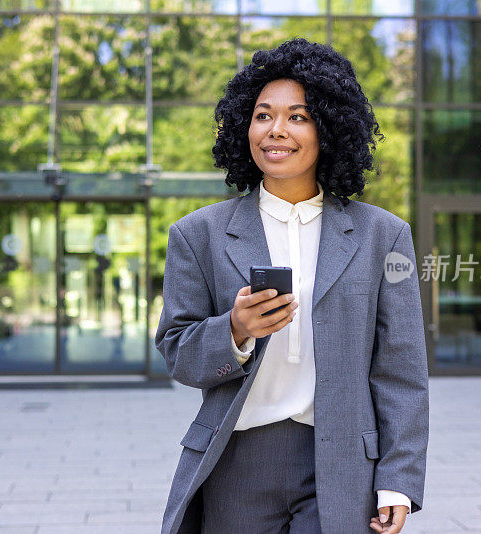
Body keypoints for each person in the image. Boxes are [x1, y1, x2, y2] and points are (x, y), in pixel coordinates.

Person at [154, 38, 428, 534]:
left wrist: (399, 479)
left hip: (343, 465)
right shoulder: (198, 235)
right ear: (244, 127)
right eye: (263, 115)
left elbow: (401, 369)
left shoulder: (383, 236)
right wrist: (233, 331)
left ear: (329, 128)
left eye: (298, 116)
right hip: (236, 462)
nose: (277, 130)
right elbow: (178, 352)